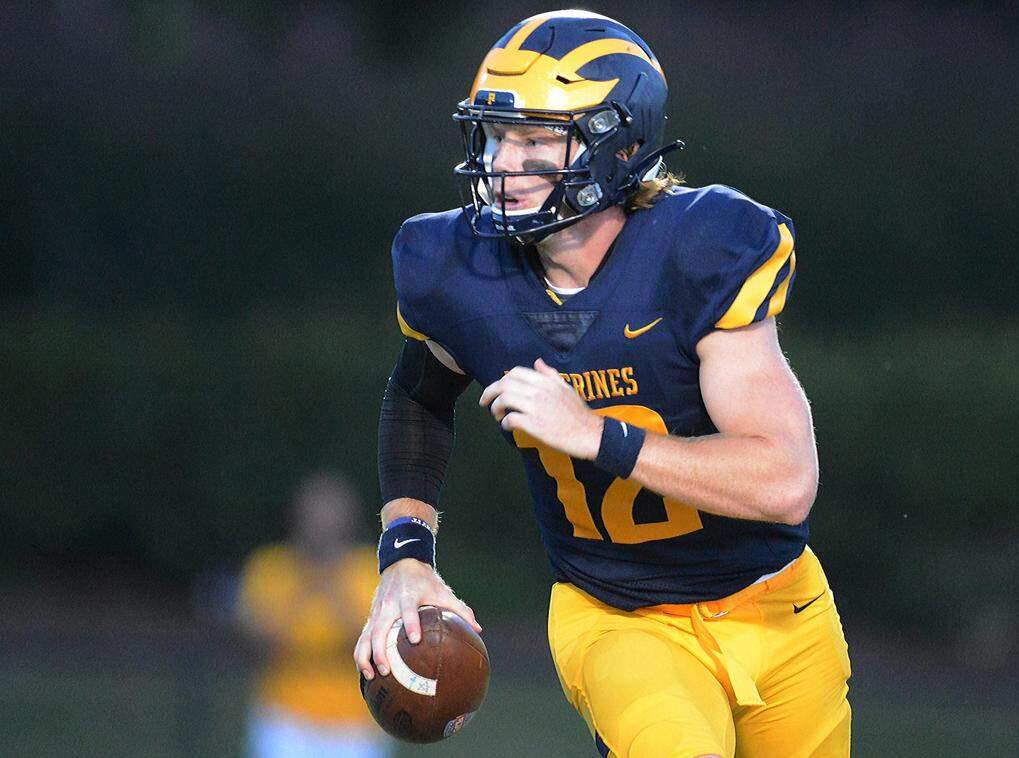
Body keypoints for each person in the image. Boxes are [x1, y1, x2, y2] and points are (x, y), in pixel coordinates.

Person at [354, 10, 852, 757]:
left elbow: (784, 481)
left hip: (781, 611)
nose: (503, 163)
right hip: (619, 616)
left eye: (534, 139)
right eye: (495, 136)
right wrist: (405, 556)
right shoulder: (458, 269)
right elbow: (420, 394)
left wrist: (598, 436)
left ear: (615, 145)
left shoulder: (700, 250)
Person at [239, 472, 392, 758]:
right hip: (284, 722)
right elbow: (258, 649)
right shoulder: (270, 568)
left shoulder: (371, 568)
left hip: (355, 726)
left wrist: (334, 588)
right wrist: (303, 588)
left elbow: (375, 651)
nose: (321, 525)